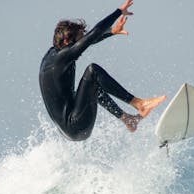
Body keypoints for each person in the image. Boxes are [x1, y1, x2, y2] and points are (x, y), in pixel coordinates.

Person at [39, 0, 166, 141]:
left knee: (91, 85)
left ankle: (128, 120)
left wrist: (111, 32)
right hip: (75, 125)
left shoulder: (54, 55)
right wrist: (119, 12)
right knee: (93, 71)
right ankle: (139, 104)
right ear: (67, 42)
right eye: (79, 40)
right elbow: (93, 35)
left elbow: (88, 41)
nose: (82, 46)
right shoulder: (61, 58)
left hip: (69, 129)